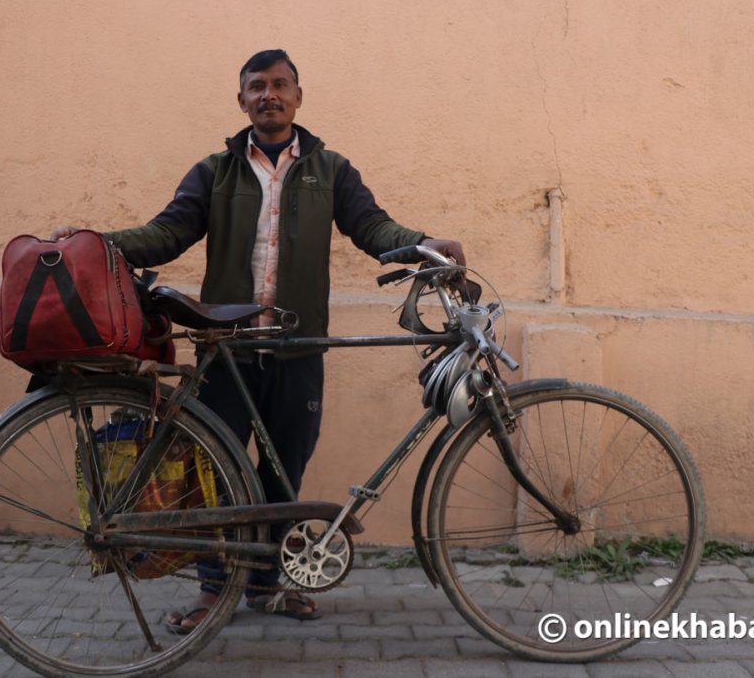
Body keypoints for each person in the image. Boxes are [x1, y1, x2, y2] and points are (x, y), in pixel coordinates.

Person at [53, 49, 464, 633]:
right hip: (228, 348)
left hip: (299, 349)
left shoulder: (331, 169)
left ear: (299, 95)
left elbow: (372, 227)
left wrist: (423, 243)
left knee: (282, 473)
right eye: (256, 87)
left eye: (279, 85)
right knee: (215, 475)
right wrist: (97, 241)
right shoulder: (213, 171)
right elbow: (167, 232)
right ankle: (212, 593)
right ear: (240, 99)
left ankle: (269, 585)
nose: (268, 96)